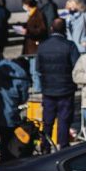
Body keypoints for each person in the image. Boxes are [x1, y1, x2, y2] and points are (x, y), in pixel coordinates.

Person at [33, 20, 77, 149]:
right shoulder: (69, 45)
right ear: (65, 29)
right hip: (66, 88)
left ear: (51, 28)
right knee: (64, 119)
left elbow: (38, 67)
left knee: (48, 120)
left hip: (48, 89)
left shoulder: (42, 46)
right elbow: (77, 65)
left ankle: (45, 145)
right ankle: (63, 145)